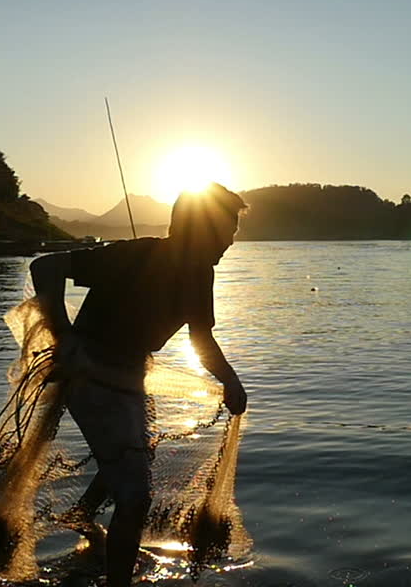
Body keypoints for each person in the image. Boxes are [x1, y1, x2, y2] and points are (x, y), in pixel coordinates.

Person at [28, 183, 248, 586]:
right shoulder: (137, 255)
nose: (230, 241)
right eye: (225, 229)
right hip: (90, 377)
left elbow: (201, 340)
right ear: (199, 228)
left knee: (138, 452)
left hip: (130, 376)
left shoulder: (201, 274)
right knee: (135, 497)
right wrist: (62, 334)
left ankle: (82, 515)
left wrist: (230, 380)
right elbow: (45, 267)